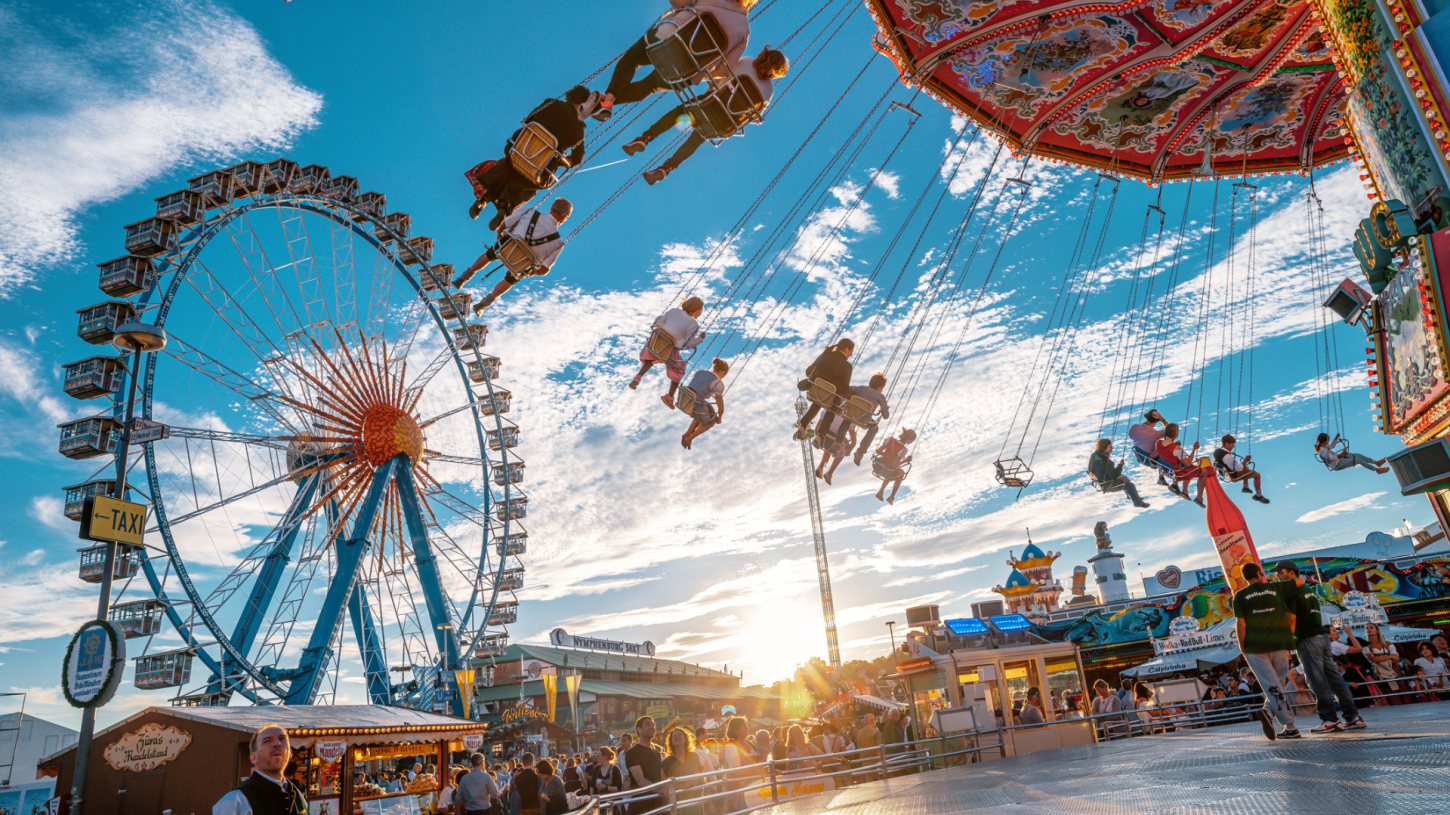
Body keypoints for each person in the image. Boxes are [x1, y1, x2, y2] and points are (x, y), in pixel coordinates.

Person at [631, 49, 790, 186]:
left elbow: (723, 73)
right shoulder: (769, 92)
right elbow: (755, 118)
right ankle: (666, 169)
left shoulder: (747, 62)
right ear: (776, 73)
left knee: (680, 112)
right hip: (723, 123)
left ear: (764, 55)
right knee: (698, 138)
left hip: (709, 102)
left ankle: (645, 138)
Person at [465, 87, 597, 227]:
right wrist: (559, 160)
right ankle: (505, 207)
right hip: (541, 166)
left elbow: (529, 119)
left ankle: (484, 197)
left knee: (510, 166)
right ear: (583, 104)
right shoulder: (578, 127)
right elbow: (577, 159)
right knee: (531, 184)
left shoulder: (550, 103)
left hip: (519, 149)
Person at [599, 0, 756, 116]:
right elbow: (723, 70)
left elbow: (678, 2)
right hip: (686, 71)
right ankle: (603, 104)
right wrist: (697, 76)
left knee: (632, 59)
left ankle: (608, 99)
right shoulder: (744, 32)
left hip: (665, 41)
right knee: (650, 86)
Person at [1272, 560, 1365, 732]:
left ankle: (1330, 720)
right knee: (1335, 679)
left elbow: (1290, 619)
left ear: (1291, 573)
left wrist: (1286, 644)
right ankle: (1353, 717)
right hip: (1322, 637)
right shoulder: (1308, 589)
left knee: (1317, 681)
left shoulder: (1292, 592)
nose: (1277, 576)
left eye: (1281, 572)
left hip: (1307, 639)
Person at [455, 199, 573, 314]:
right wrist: (534, 272)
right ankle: (484, 304)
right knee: (512, 279)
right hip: (520, 265)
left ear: (552, 208)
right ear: (564, 218)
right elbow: (544, 269)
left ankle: (463, 278)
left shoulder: (530, 212)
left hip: (506, 248)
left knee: (491, 253)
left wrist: (500, 233)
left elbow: (504, 224)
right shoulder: (558, 243)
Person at [1233, 562, 1301, 740]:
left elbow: (1240, 624)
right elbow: (1300, 582)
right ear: (1258, 573)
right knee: (1278, 684)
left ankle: (1284, 722)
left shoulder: (1240, 595)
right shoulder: (1276, 588)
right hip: (1278, 643)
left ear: (1244, 577)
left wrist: (1242, 647)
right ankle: (1273, 716)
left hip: (1255, 648)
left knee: (1272, 686)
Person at [214, 724, 308, 815]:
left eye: (282, 739)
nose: (277, 743)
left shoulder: (297, 795)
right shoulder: (235, 801)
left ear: (290, 753)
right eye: (267, 741)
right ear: (253, 757)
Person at [634, 297, 706, 396]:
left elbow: (658, 322)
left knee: (654, 355)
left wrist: (666, 329)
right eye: (702, 309)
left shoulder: (674, 311)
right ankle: (670, 396)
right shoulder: (694, 324)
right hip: (670, 351)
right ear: (698, 310)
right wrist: (700, 339)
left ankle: (638, 376)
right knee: (680, 368)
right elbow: (688, 344)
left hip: (655, 343)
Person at [794, 340, 855, 439]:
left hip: (815, 389)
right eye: (851, 350)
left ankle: (803, 426)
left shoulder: (825, 355)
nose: (851, 354)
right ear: (847, 348)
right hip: (831, 397)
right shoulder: (847, 366)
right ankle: (821, 435)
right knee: (833, 407)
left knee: (819, 400)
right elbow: (844, 389)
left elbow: (808, 372)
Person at [680, 357, 730, 448]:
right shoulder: (717, 383)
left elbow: (698, 387)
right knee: (711, 421)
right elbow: (721, 408)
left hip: (684, 400)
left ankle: (687, 433)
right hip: (695, 405)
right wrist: (719, 418)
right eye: (723, 376)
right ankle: (689, 438)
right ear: (722, 373)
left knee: (707, 409)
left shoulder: (700, 372)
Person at [1155, 423, 1209, 506]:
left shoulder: (1158, 443)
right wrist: (1194, 449)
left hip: (1166, 469)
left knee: (1190, 467)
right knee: (1203, 472)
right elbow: (1187, 463)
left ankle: (1183, 490)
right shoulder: (1177, 449)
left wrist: (1175, 445)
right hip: (1178, 473)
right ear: (1176, 434)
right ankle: (1199, 498)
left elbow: (1166, 452)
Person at [1088, 438, 1150, 508]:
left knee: (1124, 477)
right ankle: (1138, 503)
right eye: (1110, 447)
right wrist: (1120, 465)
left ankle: (1132, 496)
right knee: (1130, 485)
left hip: (1100, 480)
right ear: (1104, 448)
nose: (1112, 448)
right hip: (1107, 484)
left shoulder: (1095, 455)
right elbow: (1114, 475)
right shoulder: (1104, 461)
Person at [1215, 434, 1269, 504]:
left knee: (1245, 467)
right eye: (1232, 445)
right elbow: (1238, 468)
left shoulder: (1217, 452)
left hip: (1224, 473)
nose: (1233, 447)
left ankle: (1245, 487)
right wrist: (1246, 460)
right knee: (1257, 475)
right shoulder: (1227, 456)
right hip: (1234, 475)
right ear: (1227, 443)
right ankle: (1258, 495)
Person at [626, 716, 663, 815]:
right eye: (647, 724)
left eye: (653, 724)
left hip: (658, 801)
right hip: (642, 802)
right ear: (639, 730)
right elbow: (640, 780)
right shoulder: (632, 752)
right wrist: (660, 790)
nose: (652, 727)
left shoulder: (656, 753)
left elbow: (661, 775)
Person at [662, 728, 704, 815]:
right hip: (679, 803)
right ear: (671, 742)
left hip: (695, 799)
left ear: (686, 739)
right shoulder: (667, 762)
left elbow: (701, 777)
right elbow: (668, 784)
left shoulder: (694, 756)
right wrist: (684, 785)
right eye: (674, 736)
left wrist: (698, 780)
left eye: (680, 735)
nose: (677, 737)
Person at [1127, 409, 1173, 488]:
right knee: (1164, 444)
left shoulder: (1134, 428)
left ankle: (1161, 477)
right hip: (1151, 459)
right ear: (1155, 422)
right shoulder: (1155, 433)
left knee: (1159, 446)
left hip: (1140, 456)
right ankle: (1164, 475)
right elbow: (1171, 432)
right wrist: (1162, 419)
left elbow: (1131, 436)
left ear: (1146, 419)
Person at [1363, 622, 1405, 705]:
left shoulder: (1387, 643)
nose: (1369, 630)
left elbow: (1396, 659)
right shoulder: (1366, 646)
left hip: (1393, 669)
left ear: (1377, 630)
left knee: (1401, 691)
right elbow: (1372, 660)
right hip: (1378, 672)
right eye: (1367, 628)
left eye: (1371, 627)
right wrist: (1389, 657)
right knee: (1387, 693)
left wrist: (1378, 659)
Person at [873, 428, 916, 504]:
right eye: (912, 440)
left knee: (888, 472)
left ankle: (881, 492)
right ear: (908, 438)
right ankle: (892, 496)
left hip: (879, 466)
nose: (912, 442)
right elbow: (894, 464)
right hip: (889, 469)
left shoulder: (890, 439)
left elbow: (878, 451)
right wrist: (905, 461)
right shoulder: (903, 449)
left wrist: (887, 455)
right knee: (900, 473)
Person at [1313, 432, 1389, 474]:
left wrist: (1336, 438)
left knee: (1357, 455)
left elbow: (1332, 446)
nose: (1328, 442)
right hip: (1337, 464)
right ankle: (1376, 470)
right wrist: (1342, 454)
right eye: (1328, 441)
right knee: (1358, 460)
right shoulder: (1322, 451)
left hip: (1339, 459)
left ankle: (1376, 462)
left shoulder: (1323, 447)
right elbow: (1332, 458)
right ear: (1324, 441)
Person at [814, 414, 858, 485]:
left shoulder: (827, 410)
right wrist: (850, 449)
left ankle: (821, 466)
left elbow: (816, 429)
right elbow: (854, 441)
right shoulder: (850, 418)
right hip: (835, 441)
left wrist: (818, 435)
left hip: (822, 439)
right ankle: (829, 473)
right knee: (845, 446)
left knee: (830, 441)